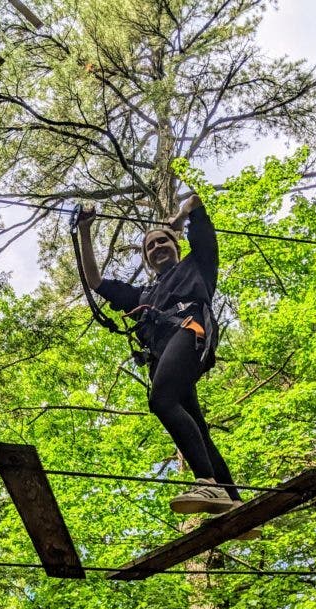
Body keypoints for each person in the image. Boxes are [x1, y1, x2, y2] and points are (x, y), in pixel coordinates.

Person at [76, 195, 240, 514]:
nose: (156, 248)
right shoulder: (144, 296)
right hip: (168, 355)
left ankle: (207, 483)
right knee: (196, 427)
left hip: (191, 332)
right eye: (149, 247)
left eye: (162, 241)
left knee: (162, 400)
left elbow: (195, 202)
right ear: (147, 261)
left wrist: (179, 221)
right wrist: (84, 231)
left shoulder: (199, 264)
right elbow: (95, 281)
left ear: (176, 246)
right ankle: (234, 502)